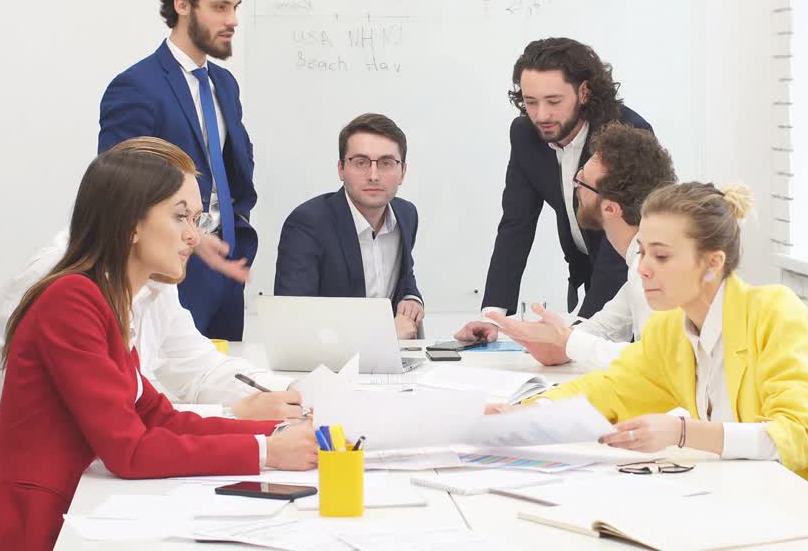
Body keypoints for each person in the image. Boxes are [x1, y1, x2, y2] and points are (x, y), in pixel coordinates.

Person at [519, 183, 808, 550]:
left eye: (661, 255)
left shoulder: (773, 313)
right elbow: (607, 391)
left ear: (712, 263)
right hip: (764, 517)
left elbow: (796, 437)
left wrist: (681, 432)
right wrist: (520, 415)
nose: (643, 268)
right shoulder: (668, 330)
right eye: (642, 251)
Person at [0, 147, 318, 551]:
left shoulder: (107, 300)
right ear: (131, 224)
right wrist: (265, 450)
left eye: (196, 220)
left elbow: (159, 417)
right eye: (180, 217)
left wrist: (276, 433)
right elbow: (129, 451)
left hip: (60, 517)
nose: (194, 237)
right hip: (27, 532)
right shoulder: (71, 300)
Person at [99, 0, 256, 340]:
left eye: (236, 6)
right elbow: (117, 190)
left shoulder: (225, 85)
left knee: (223, 386)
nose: (233, 19)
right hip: (167, 279)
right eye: (220, 7)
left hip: (226, 272)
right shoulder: (136, 87)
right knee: (173, 391)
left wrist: (235, 234)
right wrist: (194, 237)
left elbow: (235, 174)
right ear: (183, 5)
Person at [455, 37, 656, 342]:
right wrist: (494, 315)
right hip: (585, 273)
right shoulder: (525, 135)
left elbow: (624, 234)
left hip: (631, 277)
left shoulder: (625, 136)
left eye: (553, 101)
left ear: (584, 92)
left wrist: (577, 337)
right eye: (530, 101)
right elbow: (515, 225)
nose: (541, 115)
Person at [483, 122, 675, 366]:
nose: (574, 187)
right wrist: (556, 339)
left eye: (582, 182)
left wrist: (568, 342)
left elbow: (655, 362)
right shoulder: (638, 263)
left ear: (610, 208)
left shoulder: (651, 269)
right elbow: (605, 326)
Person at [274, 113, 424, 340]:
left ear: (402, 172)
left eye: (386, 163)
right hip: (327, 367)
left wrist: (411, 297)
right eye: (361, 162)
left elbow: (403, 275)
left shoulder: (406, 215)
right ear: (341, 169)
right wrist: (385, 335)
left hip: (389, 366)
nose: (373, 176)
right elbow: (294, 321)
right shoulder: (308, 224)